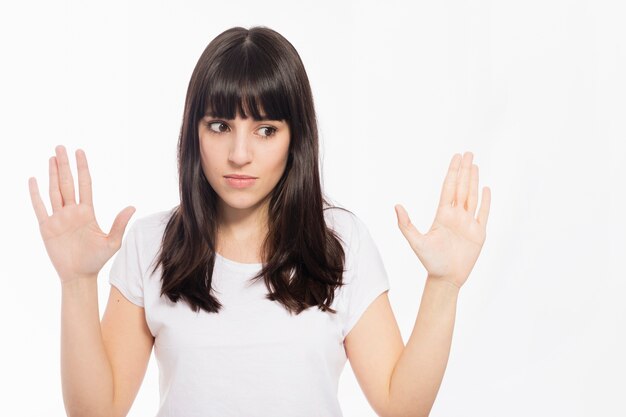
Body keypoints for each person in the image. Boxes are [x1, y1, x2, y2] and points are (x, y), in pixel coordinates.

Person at [28, 26, 491, 417]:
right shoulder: (150, 244)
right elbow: (96, 411)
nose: (240, 154)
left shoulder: (340, 243)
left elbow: (401, 406)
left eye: (265, 130)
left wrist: (444, 284)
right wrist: (77, 281)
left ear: (296, 138)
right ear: (194, 130)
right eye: (220, 125)